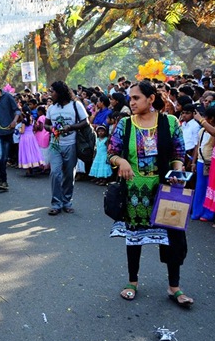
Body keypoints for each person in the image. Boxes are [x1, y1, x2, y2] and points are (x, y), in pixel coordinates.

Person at [108, 80, 193, 308]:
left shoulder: (170, 122)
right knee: (134, 240)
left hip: (164, 193)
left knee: (171, 239)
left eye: (136, 98)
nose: (131, 102)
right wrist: (122, 161)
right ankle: (132, 282)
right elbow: (111, 152)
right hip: (135, 194)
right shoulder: (125, 125)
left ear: (151, 99)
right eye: (130, 98)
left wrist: (177, 171)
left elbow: (178, 153)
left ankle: (174, 287)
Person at [44, 81, 90, 215]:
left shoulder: (76, 105)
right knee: (55, 173)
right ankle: (56, 203)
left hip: (71, 144)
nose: (50, 94)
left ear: (60, 92)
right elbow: (46, 124)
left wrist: (70, 127)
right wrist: (51, 128)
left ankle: (66, 201)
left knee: (69, 175)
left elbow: (85, 121)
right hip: (55, 145)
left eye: (52, 91)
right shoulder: (52, 108)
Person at [190, 107, 215, 221]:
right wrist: (193, 162)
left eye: (206, 117)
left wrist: (201, 121)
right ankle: (197, 211)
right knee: (200, 187)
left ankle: (208, 213)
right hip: (201, 162)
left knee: (210, 189)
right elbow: (197, 146)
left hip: (211, 162)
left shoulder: (210, 129)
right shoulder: (202, 130)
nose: (204, 119)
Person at [18, 107, 44, 176]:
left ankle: (28, 169)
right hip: (31, 136)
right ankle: (34, 165)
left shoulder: (24, 120)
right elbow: (33, 128)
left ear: (23, 112)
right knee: (32, 151)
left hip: (25, 137)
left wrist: (19, 130)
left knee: (26, 152)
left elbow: (22, 131)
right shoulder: (32, 119)